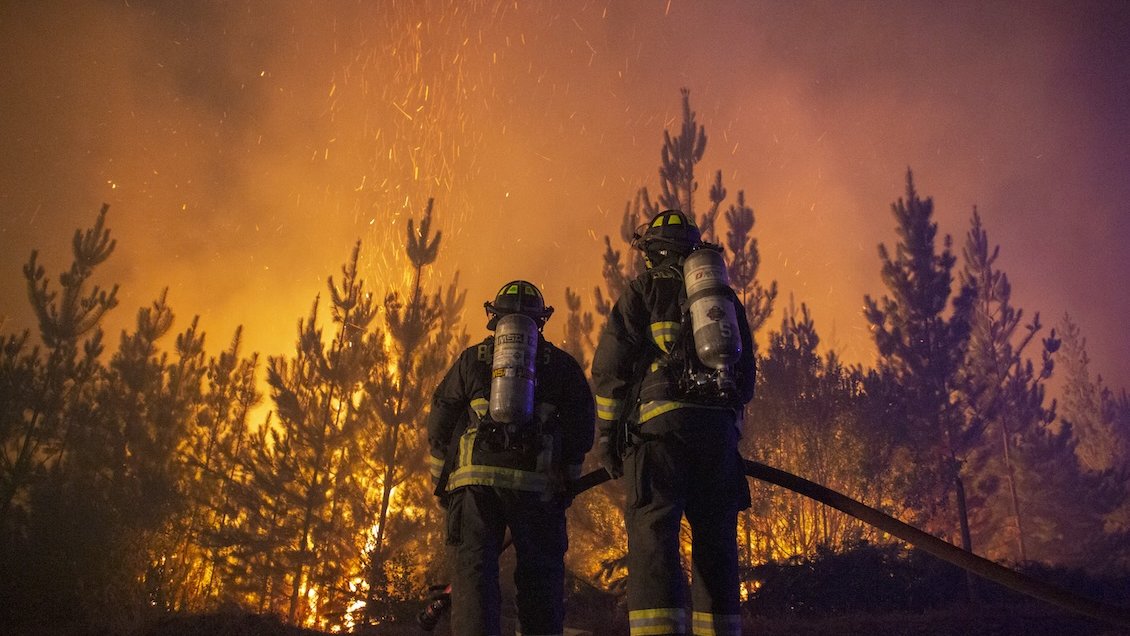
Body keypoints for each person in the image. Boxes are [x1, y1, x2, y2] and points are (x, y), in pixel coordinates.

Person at [591, 210, 756, 636]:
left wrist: (608, 438)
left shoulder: (644, 289)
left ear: (655, 252)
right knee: (717, 543)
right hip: (717, 437)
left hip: (660, 435)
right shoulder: (725, 299)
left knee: (654, 538)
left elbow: (610, 370)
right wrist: (726, 429)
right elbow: (746, 376)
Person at [427, 279, 595, 636]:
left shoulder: (473, 359)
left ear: (495, 318)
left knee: (474, 577)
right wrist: (568, 476)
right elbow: (582, 424)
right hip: (538, 488)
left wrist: (441, 479)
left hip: (475, 487)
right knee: (541, 579)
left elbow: (441, 416)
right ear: (540, 321)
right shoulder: (561, 366)